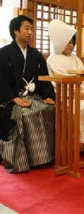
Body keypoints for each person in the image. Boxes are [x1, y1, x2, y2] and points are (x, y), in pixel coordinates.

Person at [0, 15, 55, 173]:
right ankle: (30, 159)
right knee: (28, 113)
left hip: (33, 96)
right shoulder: (3, 54)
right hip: (11, 99)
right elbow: (1, 80)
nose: (30, 32)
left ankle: (47, 156)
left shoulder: (35, 54)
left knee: (50, 109)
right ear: (16, 31)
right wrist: (14, 98)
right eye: (26, 28)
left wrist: (48, 96)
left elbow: (44, 78)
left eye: (32, 29)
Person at [47, 20, 84, 150]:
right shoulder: (51, 60)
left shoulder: (76, 58)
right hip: (64, 97)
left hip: (80, 94)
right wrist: (69, 94)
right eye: (68, 42)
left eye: (73, 42)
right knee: (77, 111)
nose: (71, 45)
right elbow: (53, 82)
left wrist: (83, 90)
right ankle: (77, 144)